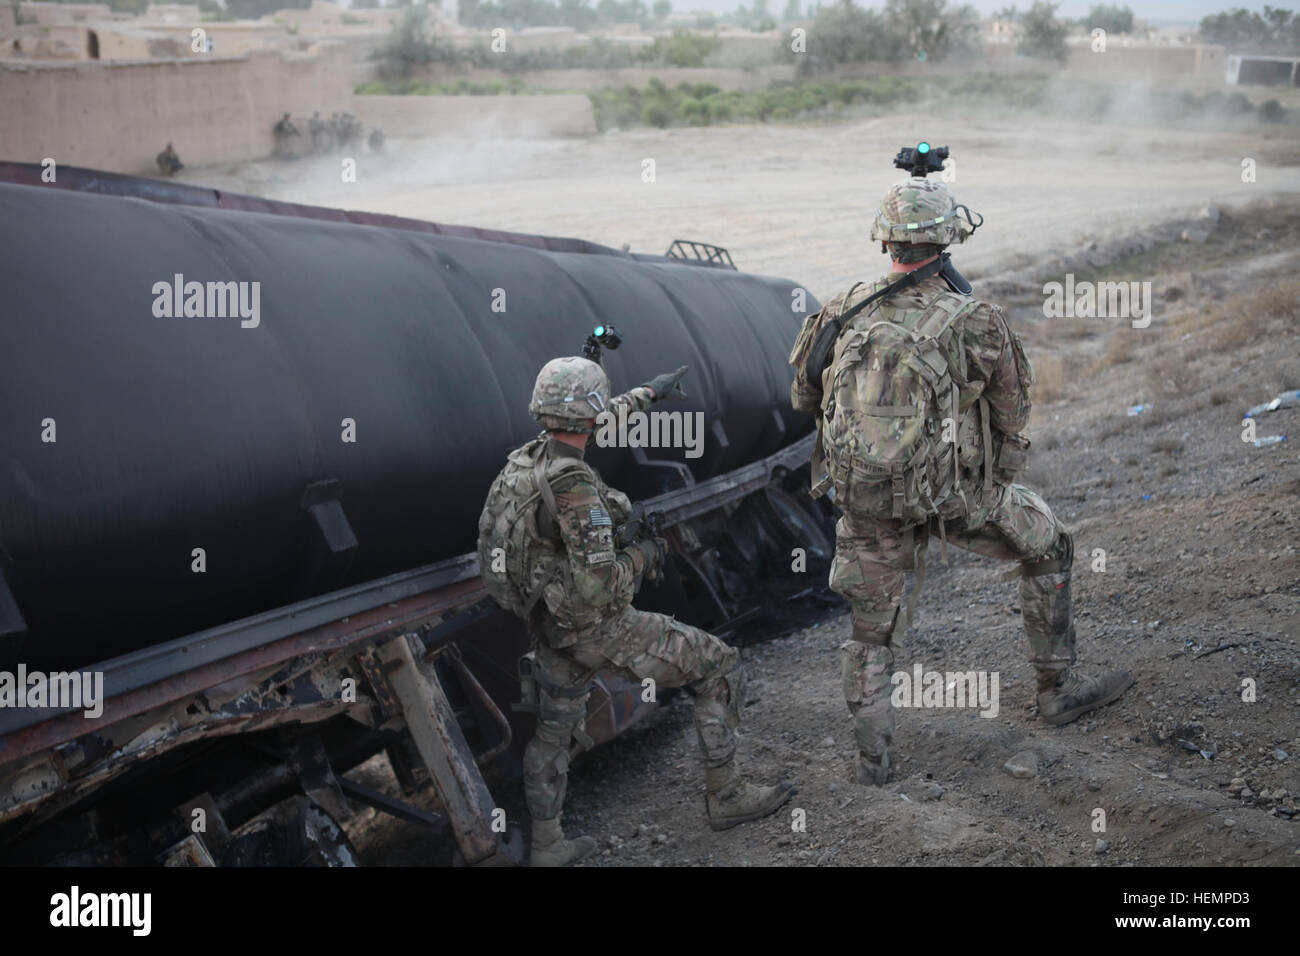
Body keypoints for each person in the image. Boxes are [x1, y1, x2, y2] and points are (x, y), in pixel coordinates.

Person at [789, 176, 1133, 786]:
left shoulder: (839, 310)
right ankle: (1055, 691)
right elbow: (1012, 412)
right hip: (955, 495)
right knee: (1051, 546)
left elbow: (802, 398)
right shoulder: (979, 319)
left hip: (868, 501)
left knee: (870, 633)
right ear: (946, 242)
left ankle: (874, 763)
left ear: (885, 240)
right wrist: (988, 466)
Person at [478, 356, 795, 866]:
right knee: (718, 665)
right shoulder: (574, 487)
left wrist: (649, 392)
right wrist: (646, 553)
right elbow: (598, 584)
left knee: (553, 736)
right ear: (589, 415)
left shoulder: (526, 461)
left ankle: (549, 845)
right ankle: (728, 796)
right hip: (600, 627)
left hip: (552, 629)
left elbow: (595, 418)